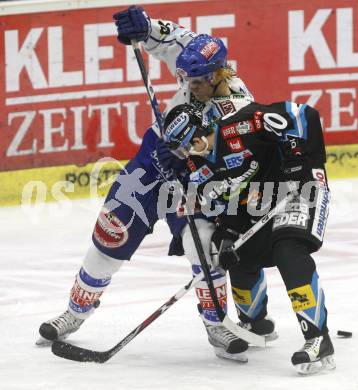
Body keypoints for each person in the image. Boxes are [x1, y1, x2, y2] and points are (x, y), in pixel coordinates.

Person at [37, 6, 275, 362]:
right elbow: (162, 36)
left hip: (198, 176)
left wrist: (191, 160)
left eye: (197, 83)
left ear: (216, 75)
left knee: (205, 245)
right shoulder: (193, 52)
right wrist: (142, 26)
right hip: (152, 158)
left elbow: (234, 161)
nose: (189, 87)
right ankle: (74, 313)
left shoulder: (238, 107)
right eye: (186, 80)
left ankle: (216, 324)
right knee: (110, 231)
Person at [162, 101, 335, 374]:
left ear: (196, 136)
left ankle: (318, 337)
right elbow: (225, 208)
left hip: (302, 191)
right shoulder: (198, 167)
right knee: (232, 252)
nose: (184, 155)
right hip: (260, 206)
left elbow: (304, 115)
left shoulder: (243, 124)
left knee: (288, 250)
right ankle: (256, 323)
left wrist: (301, 164)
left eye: (185, 146)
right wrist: (228, 231)